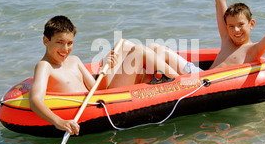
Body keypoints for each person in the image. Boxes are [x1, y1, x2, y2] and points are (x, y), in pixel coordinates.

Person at [29, 16, 179, 135]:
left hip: (104, 93)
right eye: (59, 42)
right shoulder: (45, 66)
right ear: (45, 41)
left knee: (128, 45)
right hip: (110, 99)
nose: (65, 48)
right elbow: (35, 100)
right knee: (139, 51)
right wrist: (58, 121)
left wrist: (105, 67)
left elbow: (98, 88)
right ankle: (179, 80)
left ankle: (187, 71)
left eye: (69, 43)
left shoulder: (74, 61)